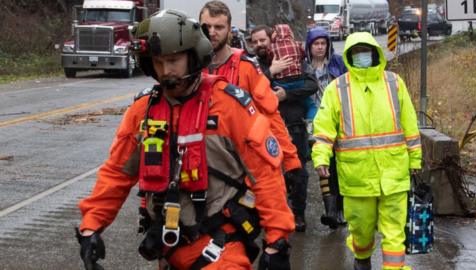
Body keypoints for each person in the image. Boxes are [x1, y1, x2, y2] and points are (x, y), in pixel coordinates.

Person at [75, 9, 294, 270]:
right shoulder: (143, 111)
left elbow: (266, 174)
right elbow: (117, 174)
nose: (166, 71)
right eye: (158, 62)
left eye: (174, 60)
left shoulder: (228, 105)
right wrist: (91, 227)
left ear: (193, 57)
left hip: (221, 248)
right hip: (167, 249)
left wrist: (277, 239)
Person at [311, 32, 422, 270]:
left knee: (394, 230)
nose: (363, 55)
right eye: (357, 51)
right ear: (350, 55)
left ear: (375, 52)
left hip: (394, 174)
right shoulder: (337, 89)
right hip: (357, 178)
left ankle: (394, 267)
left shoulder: (394, 83)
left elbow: (410, 125)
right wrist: (321, 157)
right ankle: (362, 259)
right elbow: (323, 128)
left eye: (366, 50)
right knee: (361, 229)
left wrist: (415, 161)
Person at [199, 1, 307, 231]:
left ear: (229, 30)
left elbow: (270, 114)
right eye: (206, 26)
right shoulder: (190, 66)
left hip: (238, 166)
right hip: (198, 163)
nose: (212, 32)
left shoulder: (246, 68)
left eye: (219, 27)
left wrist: (290, 160)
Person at [251, 24, 319, 232]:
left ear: (272, 39)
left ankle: (298, 214)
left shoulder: (294, 59)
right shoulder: (252, 66)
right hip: (264, 129)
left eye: (262, 40)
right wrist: (271, 72)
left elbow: (311, 85)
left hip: (294, 126)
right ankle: (272, 216)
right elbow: (247, 90)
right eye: (254, 42)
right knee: (267, 174)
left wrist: (286, 95)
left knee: (297, 173)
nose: (259, 45)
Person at [303, 26, 347, 229]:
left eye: (323, 43)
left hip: (338, 118)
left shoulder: (337, 62)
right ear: (309, 46)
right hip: (314, 120)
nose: (320, 48)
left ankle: (340, 209)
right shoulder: (304, 67)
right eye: (316, 44)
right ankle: (330, 210)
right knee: (323, 163)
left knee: (341, 165)